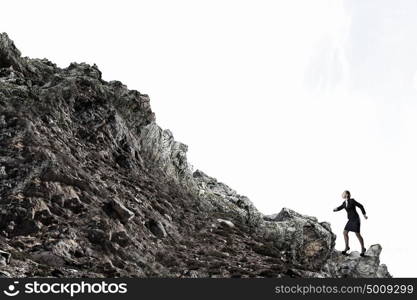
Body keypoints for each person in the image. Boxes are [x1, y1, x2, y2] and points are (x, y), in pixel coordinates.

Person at [333, 190, 368, 256]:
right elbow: (341, 207)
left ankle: (363, 249)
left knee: (357, 234)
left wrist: (364, 214)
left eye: (343, 193)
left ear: (346, 194)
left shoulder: (352, 201)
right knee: (345, 232)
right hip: (350, 220)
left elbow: (361, 206)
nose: (342, 194)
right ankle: (347, 247)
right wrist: (336, 209)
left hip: (356, 219)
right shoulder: (344, 203)